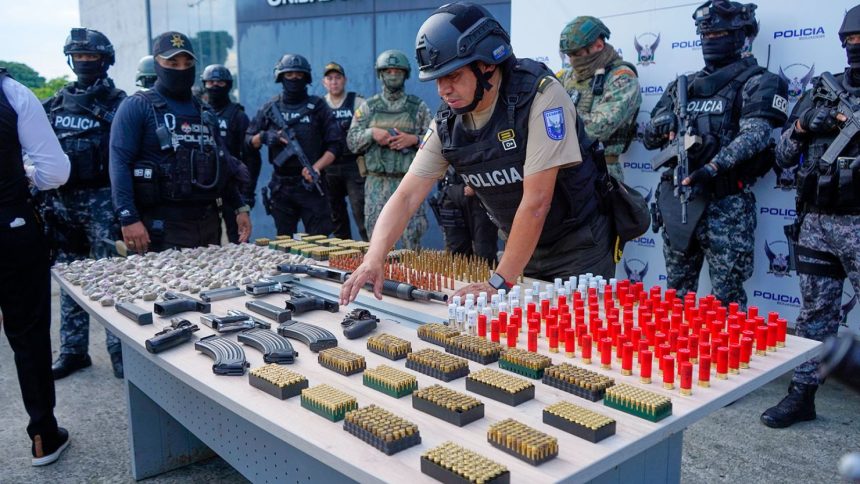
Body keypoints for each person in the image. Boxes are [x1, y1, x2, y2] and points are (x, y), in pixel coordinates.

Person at [341, 3, 611, 304]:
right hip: (521, 249)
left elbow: (537, 202)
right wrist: (374, 257)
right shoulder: (447, 121)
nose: (443, 90)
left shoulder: (541, 96)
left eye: (453, 75)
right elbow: (406, 196)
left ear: (487, 64)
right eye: (437, 79)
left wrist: (499, 281)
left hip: (579, 249)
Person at [643, 0, 788, 307]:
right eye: (705, 37)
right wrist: (662, 124)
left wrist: (711, 167)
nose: (710, 42)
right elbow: (649, 139)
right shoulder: (683, 86)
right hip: (678, 200)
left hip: (725, 204)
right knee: (675, 298)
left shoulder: (760, 81)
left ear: (741, 35)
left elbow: (756, 135)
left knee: (727, 303)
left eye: (718, 35)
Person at [761, 5, 860, 429]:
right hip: (817, 221)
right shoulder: (823, 90)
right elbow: (781, 156)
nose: (855, 48)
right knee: (814, 316)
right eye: (850, 41)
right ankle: (801, 395)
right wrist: (803, 126)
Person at [110, 31, 251, 254]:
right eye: (172, 62)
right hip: (161, 227)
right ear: (157, 63)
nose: (181, 69)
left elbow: (222, 164)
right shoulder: (137, 106)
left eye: (187, 63)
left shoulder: (205, 111)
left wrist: (239, 207)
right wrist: (128, 218)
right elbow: (119, 163)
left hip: (208, 224)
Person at [42, 28, 126, 380]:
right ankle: (74, 351)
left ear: (105, 60)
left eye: (91, 57)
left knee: (110, 279)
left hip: (102, 200)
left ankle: (120, 351)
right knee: (70, 277)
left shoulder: (120, 102)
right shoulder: (56, 104)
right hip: (62, 202)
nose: (85, 62)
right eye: (79, 57)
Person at [0, 67, 72, 466]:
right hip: (10, 224)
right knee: (28, 335)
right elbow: (55, 172)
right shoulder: (13, 92)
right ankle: (43, 434)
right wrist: (25, 176)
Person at [246, 54, 341, 236]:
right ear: (281, 77)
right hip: (281, 186)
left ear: (306, 78)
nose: (295, 79)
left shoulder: (318, 106)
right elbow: (248, 141)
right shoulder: (270, 107)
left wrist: (317, 167)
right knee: (284, 242)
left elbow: (335, 145)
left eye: (299, 75)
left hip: (311, 184)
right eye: (289, 75)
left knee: (319, 242)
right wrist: (265, 136)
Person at [346, 49, 432, 249]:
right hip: (376, 184)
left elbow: (438, 142)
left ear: (405, 74)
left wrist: (413, 139)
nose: (393, 75)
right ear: (380, 74)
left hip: (409, 182)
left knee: (412, 238)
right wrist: (372, 133)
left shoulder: (417, 107)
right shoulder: (369, 107)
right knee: (377, 240)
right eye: (388, 71)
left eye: (398, 71)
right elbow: (351, 141)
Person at [557, 16, 642, 182]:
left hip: (601, 172)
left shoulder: (622, 78)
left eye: (577, 54)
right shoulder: (567, 76)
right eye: (570, 55)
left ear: (598, 45)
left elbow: (598, 128)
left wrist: (555, 120)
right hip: (563, 170)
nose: (573, 61)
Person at [201, 64, 261, 243]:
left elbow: (252, 157)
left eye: (220, 82)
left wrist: (248, 192)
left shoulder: (238, 116)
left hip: (232, 186)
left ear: (228, 85)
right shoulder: (199, 113)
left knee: (239, 239)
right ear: (204, 84)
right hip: (207, 187)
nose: (215, 86)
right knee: (207, 241)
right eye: (211, 82)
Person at [322, 61, 368, 241]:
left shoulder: (358, 102)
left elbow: (369, 129)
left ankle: (371, 255)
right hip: (329, 168)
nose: (334, 82)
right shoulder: (319, 105)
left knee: (361, 213)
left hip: (354, 166)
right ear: (324, 82)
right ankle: (346, 259)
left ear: (345, 80)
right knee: (336, 217)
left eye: (337, 78)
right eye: (330, 78)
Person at [429, 166, 498, 264]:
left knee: (484, 252)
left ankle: (489, 278)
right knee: (457, 253)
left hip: (481, 195)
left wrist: (477, 185)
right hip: (451, 193)